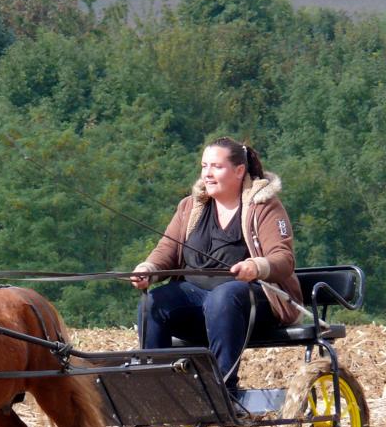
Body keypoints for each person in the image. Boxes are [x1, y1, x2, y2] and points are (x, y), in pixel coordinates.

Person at [131, 138, 305, 395]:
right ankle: (159, 389)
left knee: (223, 297)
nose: (207, 174)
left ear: (239, 170)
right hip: (197, 300)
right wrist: (148, 268)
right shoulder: (190, 207)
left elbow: (283, 259)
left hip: (254, 303)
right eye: (204, 166)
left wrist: (256, 266)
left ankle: (223, 388)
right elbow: (166, 250)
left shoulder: (264, 207)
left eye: (216, 167)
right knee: (152, 303)